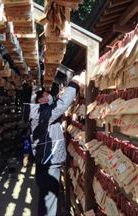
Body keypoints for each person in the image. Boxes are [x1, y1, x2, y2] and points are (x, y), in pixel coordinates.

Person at [23, 72, 84, 216]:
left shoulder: (39, 113)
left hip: (45, 161)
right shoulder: (41, 114)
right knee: (49, 201)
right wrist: (75, 83)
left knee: (47, 200)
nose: (49, 96)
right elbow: (61, 105)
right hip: (48, 162)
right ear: (40, 101)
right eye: (46, 95)